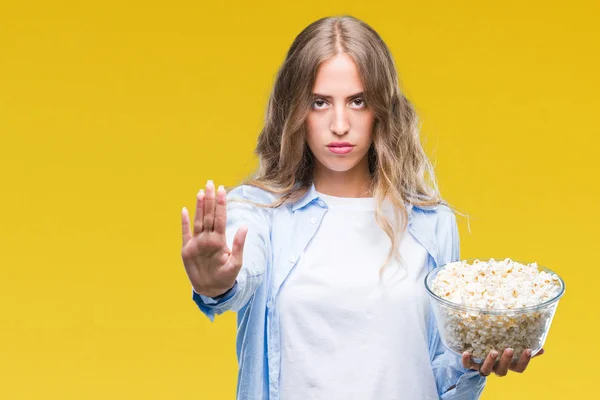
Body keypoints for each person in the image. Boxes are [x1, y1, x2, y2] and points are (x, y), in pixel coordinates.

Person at [180, 15, 543, 400]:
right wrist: (215, 282)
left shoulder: (431, 223)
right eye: (319, 103)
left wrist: (475, 362)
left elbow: (440, 372)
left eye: (358, 101)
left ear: (382, 109)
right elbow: (236, 280)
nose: (340, 124)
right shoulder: (257, 213)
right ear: (296, 111)